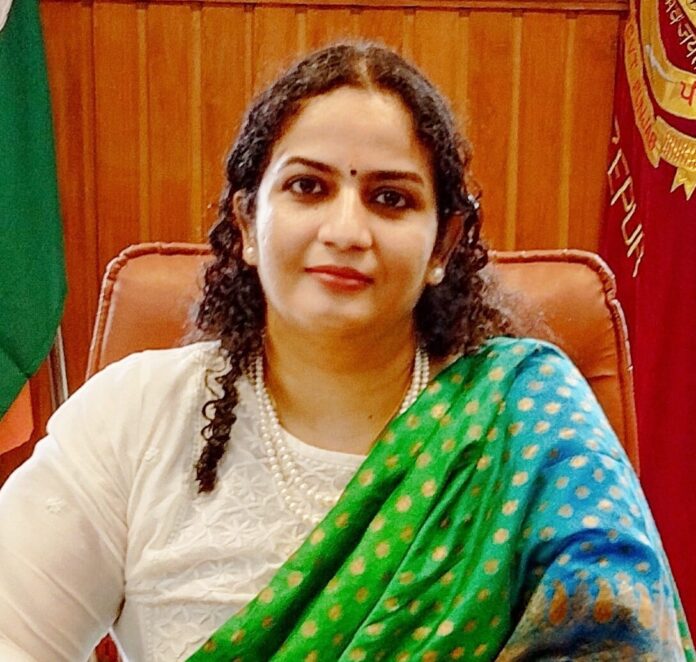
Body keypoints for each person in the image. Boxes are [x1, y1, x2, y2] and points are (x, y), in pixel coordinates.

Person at [0, 42, 692, 662]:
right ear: (247, 221)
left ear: (443, 245)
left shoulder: (526, 422)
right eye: (308, 187)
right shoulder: (135, 417)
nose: (346, 230)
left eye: (390, 198)